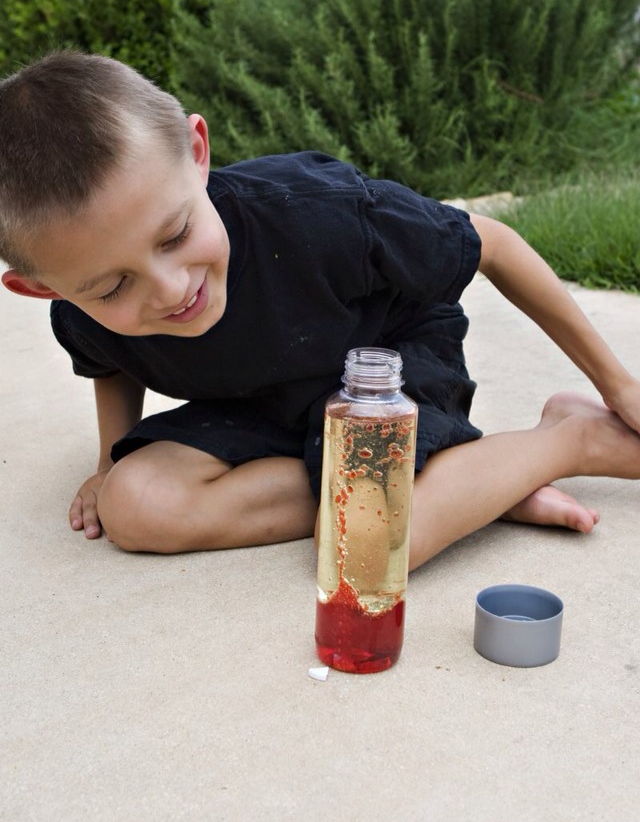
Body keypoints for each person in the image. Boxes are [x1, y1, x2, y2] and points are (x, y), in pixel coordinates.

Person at [1, 50, 639, 569]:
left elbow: (492, 244)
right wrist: (109, 460)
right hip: (259, 404)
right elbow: (107, 361)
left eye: (174, 236)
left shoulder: (322, 214)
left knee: (363, 544)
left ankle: (569, 437)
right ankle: (462, 482)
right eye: (113, 288)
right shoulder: (82, 310)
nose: (170, 289)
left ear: (196, 154)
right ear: (45, 289)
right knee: (133, 507)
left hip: (381, 368)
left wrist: (617, 383)